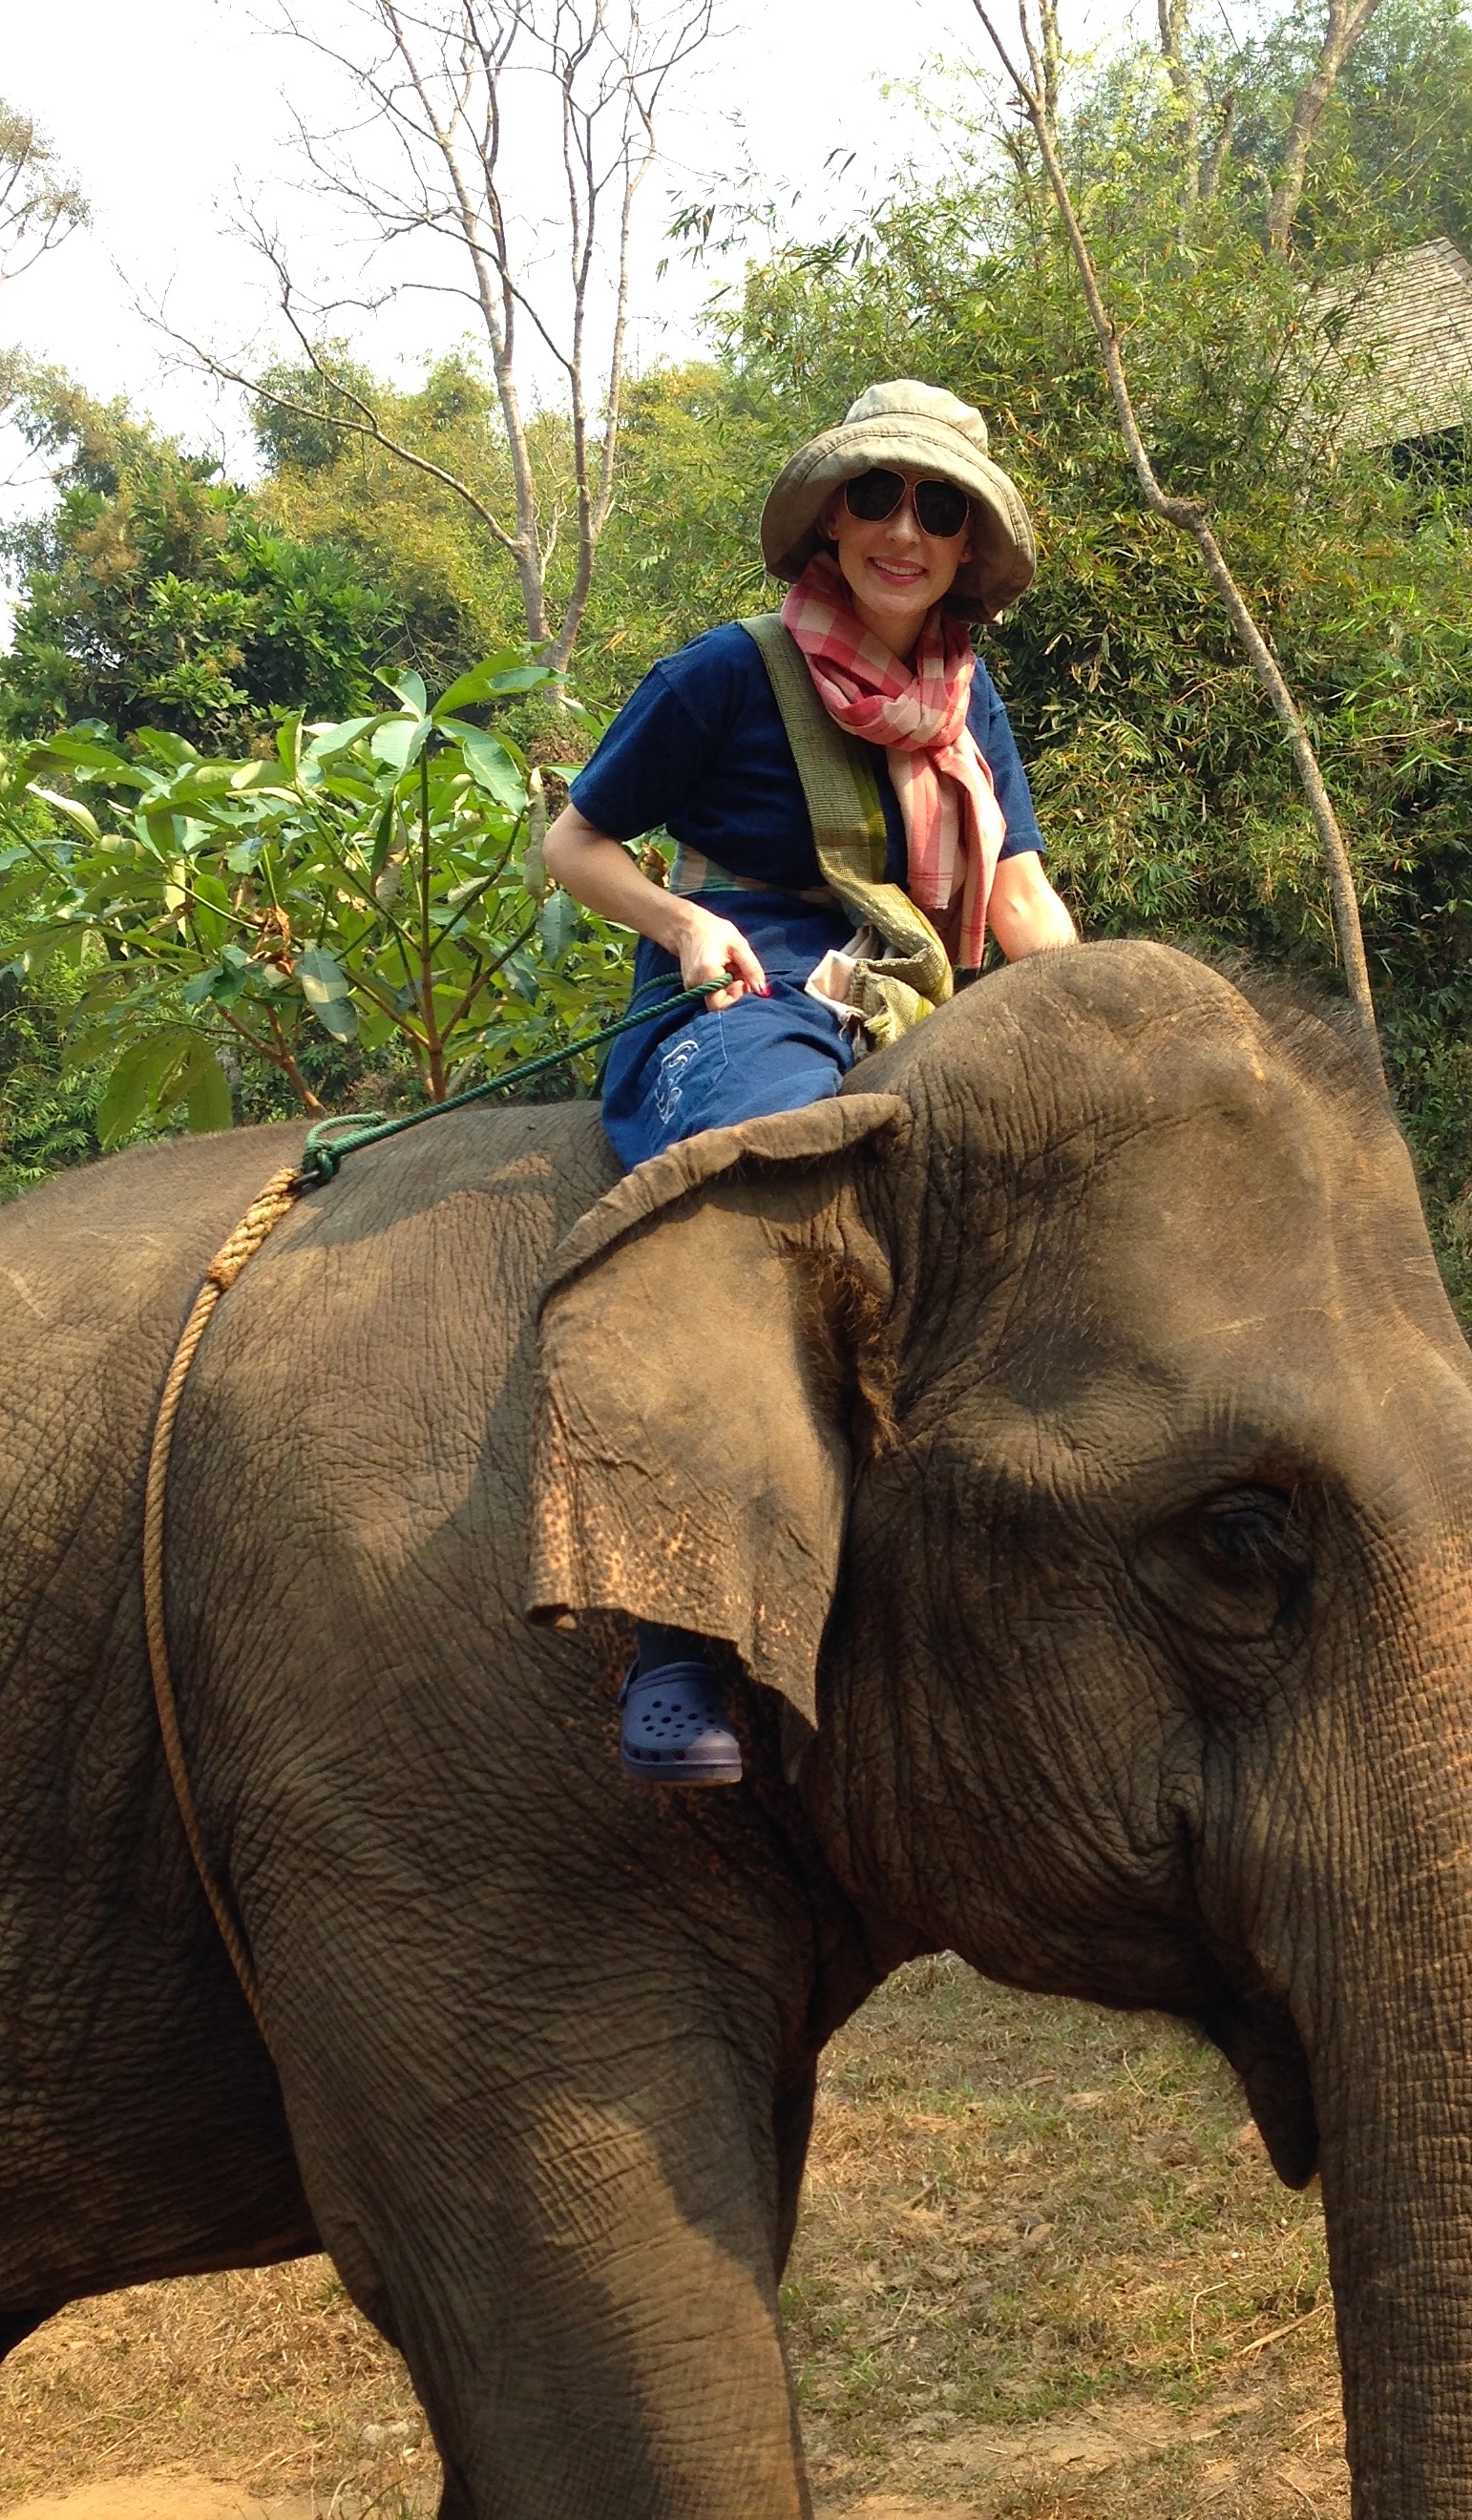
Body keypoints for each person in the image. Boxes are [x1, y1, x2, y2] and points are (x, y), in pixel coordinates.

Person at [545, 378, 1077, 1789]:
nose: (905, 529)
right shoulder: (725, 673)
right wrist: (683, 922)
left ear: (968, 545)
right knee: (777, 1182)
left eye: (937, 506)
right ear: (831, 521)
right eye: (878, 496)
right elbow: (576, 844)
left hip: (921, 1003)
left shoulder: (972, 706)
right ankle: (676, 1635)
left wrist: (1108, 1025)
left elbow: (1017, 894)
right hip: (748, 1002)